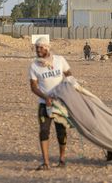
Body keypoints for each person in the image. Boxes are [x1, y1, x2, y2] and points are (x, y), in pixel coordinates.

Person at [29, 37, 72, 170]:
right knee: (43, 131)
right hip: (44, 104)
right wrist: (45, 97)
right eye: (36, 48)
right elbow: (33, 87)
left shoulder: (60, 60)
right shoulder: (34, 66)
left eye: (40, 47)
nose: (38, 50)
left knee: (61, 131)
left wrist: (68, 87)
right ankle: (46, 162)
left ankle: (62, 159)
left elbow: (68, 74)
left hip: (60, 103)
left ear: (47, 48)